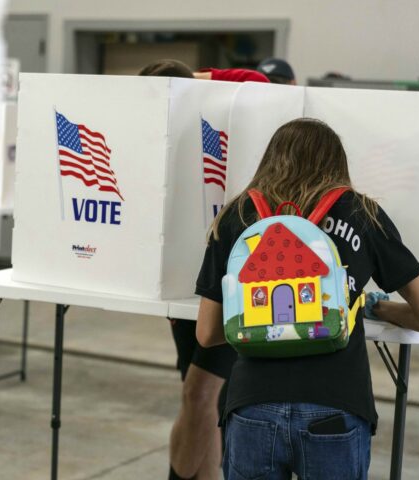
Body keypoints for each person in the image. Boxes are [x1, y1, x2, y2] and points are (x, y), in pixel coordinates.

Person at [195, 118, 419, 479]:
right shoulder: (362, 214)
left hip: (253, 404)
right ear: (337, 163)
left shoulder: (237, 217)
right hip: (336, 402)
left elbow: (207, 333)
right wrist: (377, 306)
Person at [138, 58, 268, 480]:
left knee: (201, 391)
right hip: (180, 281)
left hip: (226, 278)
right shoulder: (159, 135)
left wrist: (189, 81)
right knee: (197, 395)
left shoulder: (225, 112)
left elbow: (258, 80)